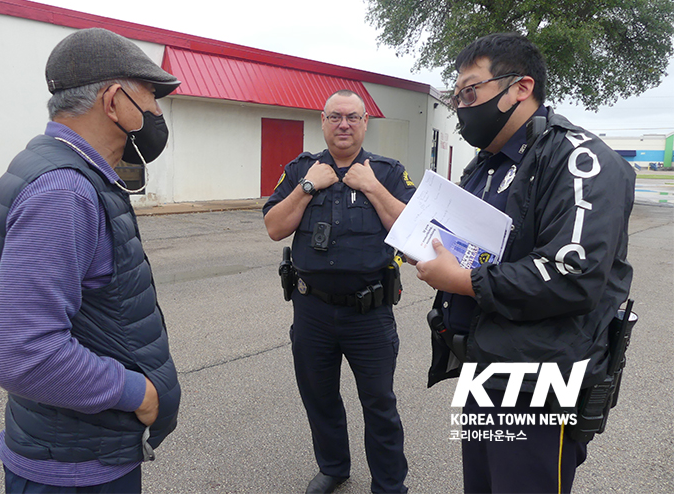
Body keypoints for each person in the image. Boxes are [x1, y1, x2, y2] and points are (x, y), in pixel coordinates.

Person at [415, 33, 635, 493]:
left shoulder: (580, 160)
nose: (461, 104)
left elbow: (573, 274)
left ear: (520, 87)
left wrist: (465, 280)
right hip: (485, 365)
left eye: (470, 91)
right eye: (457, 96)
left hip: (541, 380)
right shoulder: (486, 165)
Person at [0, 28, 182, 493]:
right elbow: (24, 355)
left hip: (81, 450)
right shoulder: (63, 191)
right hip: (72, 471)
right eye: (151, 96)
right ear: (114, 101)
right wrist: (139, 392)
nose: (156, 112)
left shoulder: (70, 172)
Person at [263, 90, 415, 494]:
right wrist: (308, 187)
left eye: (352, 117)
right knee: (320, 398)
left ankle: (389, 485)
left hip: (371, 313)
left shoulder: (388, 171)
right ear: (323, 122)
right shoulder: (300, 170)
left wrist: (372, 188)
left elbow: (415, 229)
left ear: (365, 123)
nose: (344, 124)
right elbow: (275, 226)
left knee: (379, 404)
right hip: (312, 310)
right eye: (335, 117)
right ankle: (333, 468)